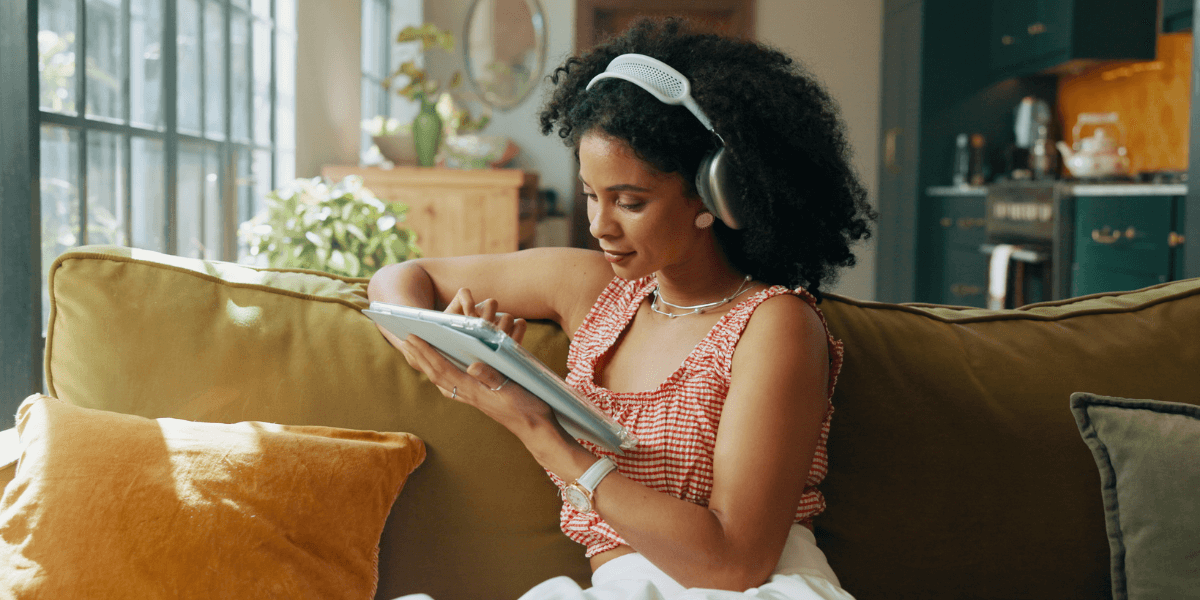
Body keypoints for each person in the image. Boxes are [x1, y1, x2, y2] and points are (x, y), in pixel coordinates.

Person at [368, 17, 874, 600]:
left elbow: (734, 565)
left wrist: (539, 430)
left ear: (715, 195)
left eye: (629, 202)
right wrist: (445, 342)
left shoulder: (774, 324)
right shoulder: (593, 288)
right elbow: (402, 277)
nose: (599, 226)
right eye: (590, 194)